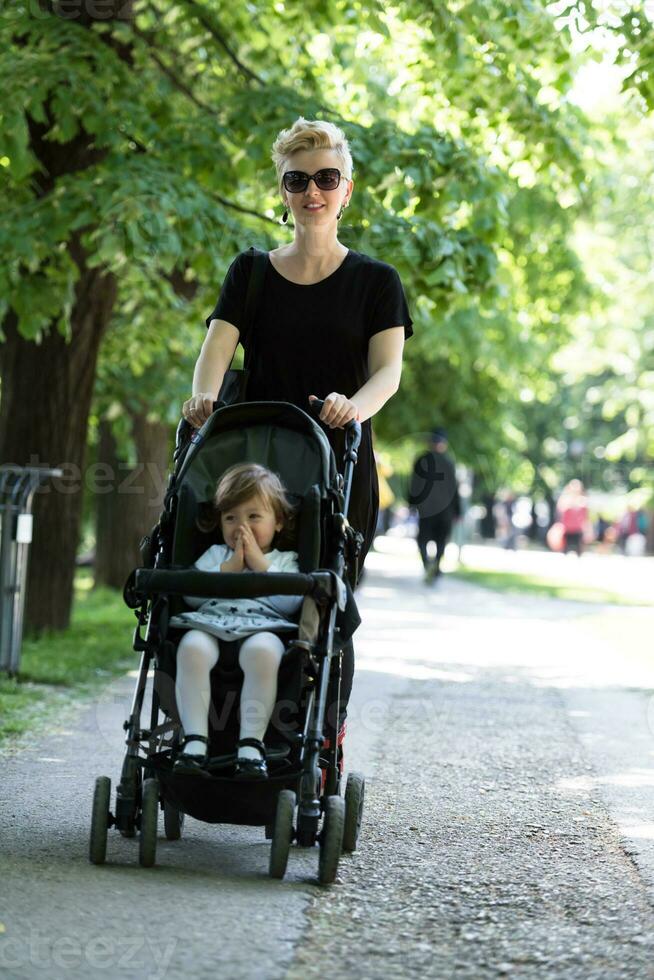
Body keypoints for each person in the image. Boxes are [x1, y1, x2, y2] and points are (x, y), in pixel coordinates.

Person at [182, 117, 413, 738]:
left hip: (336, 460)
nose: (313, 191)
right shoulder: (251, 272)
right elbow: (215, 354)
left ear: (347, 188)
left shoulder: (376, 282)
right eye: (297, 180)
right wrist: (202, 398)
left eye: (326, 178)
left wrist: (353, 405)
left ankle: (317, 735)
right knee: (242, 582)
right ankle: (225, 730)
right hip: (255, 460)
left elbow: (387, 373)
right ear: (282, 191)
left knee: (324, 595)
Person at [169, 463, 302, 780]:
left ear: (279, 522)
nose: (241, 527)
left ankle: (251, 744)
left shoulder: (285, 561)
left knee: (264, 654)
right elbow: (192, 596)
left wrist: (258, 564)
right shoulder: (216, 556)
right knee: (191, 648)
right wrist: (228, 569)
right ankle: (195, 740)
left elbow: (291, 603)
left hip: (263, 628)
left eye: (254, 516)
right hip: (210, 625)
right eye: (231, 517)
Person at [408, 428, 460, 582]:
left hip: (426, 509)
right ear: (443, 444)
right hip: (445, 510)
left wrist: (412, 504)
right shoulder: (449, 462)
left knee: (423, 539)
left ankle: (428, 564)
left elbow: (414, 485)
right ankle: (436, 566)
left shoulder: (421, 459)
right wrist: (458, 511)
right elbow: (454, 488)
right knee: (441, 540)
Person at [556, 479, 589, 556]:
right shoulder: (564, 499)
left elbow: (585, 518)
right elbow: (560, 512)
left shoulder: (583, 501)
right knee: (564, 552)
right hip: (566, 530)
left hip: (578, 530)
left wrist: (587, 530)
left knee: (579, 552)